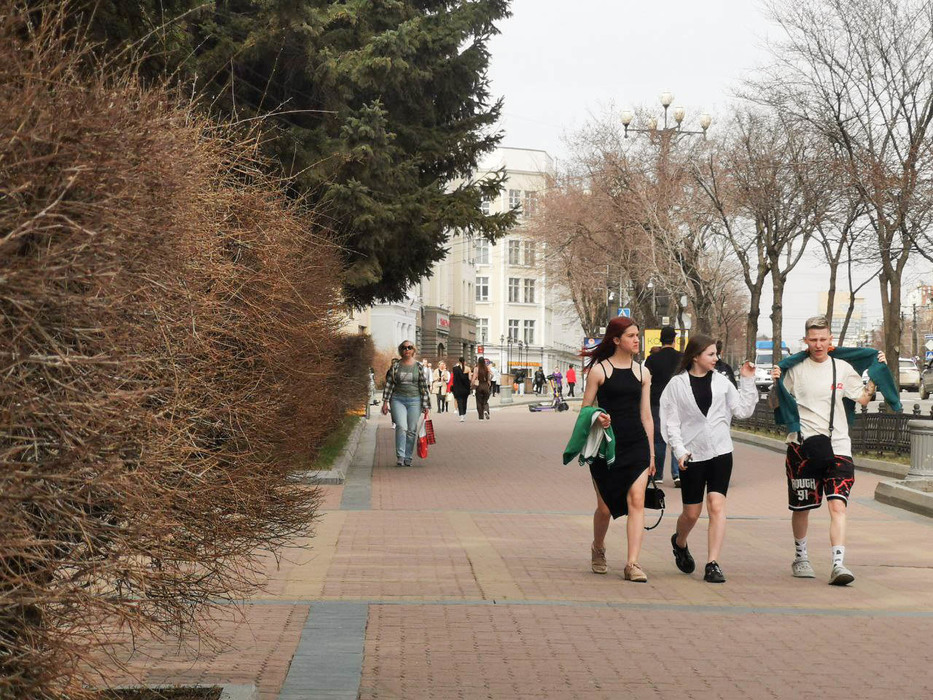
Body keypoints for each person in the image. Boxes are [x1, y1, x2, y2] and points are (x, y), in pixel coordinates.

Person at [770, 316, 888, 586]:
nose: (819, 344)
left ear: (831, 340)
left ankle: (838, 564)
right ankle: (801, 556)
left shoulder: (842, 368)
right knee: (802, 507)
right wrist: (777, 381)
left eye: (823, 339)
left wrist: (876, 375)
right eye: (813, 340)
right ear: (806, 341)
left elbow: (863, 398)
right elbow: (777, 403)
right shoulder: (795, 369)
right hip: (802, 447)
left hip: (838, 446)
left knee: (837, 505)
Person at [660, 335, 757, 583]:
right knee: (691, 514)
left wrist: (747, 380)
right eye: (711, 354)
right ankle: (680, 542)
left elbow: (743, 410)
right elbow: (671, 423)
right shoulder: (676, 385)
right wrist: (679, 451)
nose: (716, 358)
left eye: (716, 354)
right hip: (692, 455)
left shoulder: (722, 382)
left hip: (721, 452)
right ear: (695, 357)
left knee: (716, 505)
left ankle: (712, 563)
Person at [581, 316, 655, 583]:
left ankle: (632, 563)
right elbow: (585, 410)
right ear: (616, 340)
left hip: (636, 444)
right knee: (605, 508)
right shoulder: (599, 371)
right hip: (606, 446)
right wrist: (597, 418)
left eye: (637, 335)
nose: (637, 340)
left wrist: (652, 453)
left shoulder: (643, 373)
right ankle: (598, 547)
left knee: (637, 500)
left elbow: (646, 416)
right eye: (631, 336)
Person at [381, 341, 431, 466]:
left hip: (415, 400)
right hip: (398, 399)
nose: (407, 350)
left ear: (413, 350)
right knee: (401, 427)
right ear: (401, 350)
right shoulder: (396, 366)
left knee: (412, 429)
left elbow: (423, 386)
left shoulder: (419, 366)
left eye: (409, 347)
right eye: (404, 348)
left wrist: (426, 405)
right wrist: (385, 402)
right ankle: (400, 456)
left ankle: (408, 456)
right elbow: (389, 384)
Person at [644, 326, 682, 487]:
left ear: (661, 339)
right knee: (676, 436)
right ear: (674, 340)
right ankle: (677, 473)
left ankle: (658, 474)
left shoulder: (652, 359)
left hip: (656, 401)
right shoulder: (682, 357)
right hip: (677, 402)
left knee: (658, 439)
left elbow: (645, 380)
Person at [451, 357, 472, 422]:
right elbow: (470, 378)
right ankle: (464, 412)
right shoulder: (468, 368)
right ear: (464, 362)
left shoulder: (455, 369)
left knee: (459, 401)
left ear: (459, 362)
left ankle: (461, 415)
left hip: (458, 387)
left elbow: (454, 378)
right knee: (464, 401)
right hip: (465, 387)